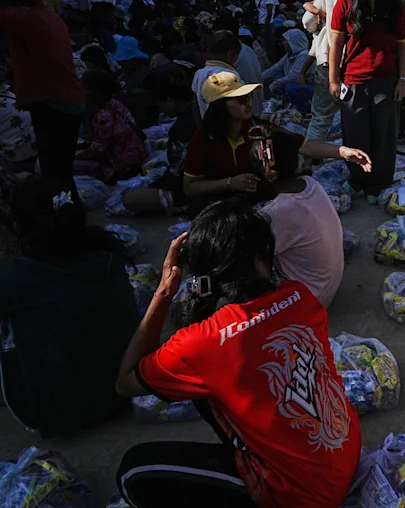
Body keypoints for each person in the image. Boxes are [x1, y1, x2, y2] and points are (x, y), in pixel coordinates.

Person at [114, 200, 361, 508]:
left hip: (301, 496)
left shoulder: (202, 342)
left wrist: (164, 292)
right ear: (263, 256)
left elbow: (125, 382)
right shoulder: (300, 296)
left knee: (134, 470)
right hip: (345, 454)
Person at [1, 178, 140, 437]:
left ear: (20, 226)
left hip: (60, 413)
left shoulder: (16, 278)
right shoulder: (108, 254)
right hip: (127, 389)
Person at [183, 72, 370, 211]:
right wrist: (229, 183)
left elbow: (305, 145)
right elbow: (190, 187)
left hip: (260, 200)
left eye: (247, 97)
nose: (247, 103)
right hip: (223, 205)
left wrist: (344, 152)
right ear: (219, 107)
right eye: (239, 100)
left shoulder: (256, 127)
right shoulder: (203, 138)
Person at [328, 0, 405, 202]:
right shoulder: (345, 4)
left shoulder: (395, 7)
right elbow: (336, 45)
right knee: (355, 135)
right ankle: (357, 180)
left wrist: (403, 80)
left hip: (386, 81)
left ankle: (378, 184)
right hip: (353, 82)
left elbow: (403, 46)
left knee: (384, 137)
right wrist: (333, 79)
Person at [0, 0, 86, 200]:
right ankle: (68, 218)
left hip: (53, 100)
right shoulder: (45, 15)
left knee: (55, 173)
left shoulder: (24, 17)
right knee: (59, 172)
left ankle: (65, 222)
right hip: (61, 98)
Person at [252, 129, 344, 308]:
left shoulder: (277, 213)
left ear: (269, 174)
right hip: (329, 285)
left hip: (312, 300)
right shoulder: (311, 184)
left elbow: (254, 262)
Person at [122, 62, 199, 215]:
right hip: (198, 181)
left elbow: (177, 174)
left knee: (128, 199)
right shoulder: (194, 110)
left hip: (192, 189)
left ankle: (182, 206)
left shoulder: (183, 126)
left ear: (170, 100)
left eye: (160, 104)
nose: (160, 110)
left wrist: (154, 184)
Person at [302, 0, 355, 141]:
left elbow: (306, 21)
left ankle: (310, 159)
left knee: (322, 116)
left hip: (327, 59)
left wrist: (320, 25)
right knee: (356, 114)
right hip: (356, 61)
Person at [73, 70, 147, 183]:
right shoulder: (115, 103)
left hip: (124, 166)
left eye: (83, 89)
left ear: (92, 92)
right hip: (137, 156)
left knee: (67, 165)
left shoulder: (103, 116)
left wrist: (78, 154)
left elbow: (97, 151)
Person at [192, 30, 245, 116]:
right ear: (230, 55)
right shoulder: (231, 75)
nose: (236, 60)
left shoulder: (199, 73)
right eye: (236, 57)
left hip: (207, 125)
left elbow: (196, 104)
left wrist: (201, 127)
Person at [264, 28, 313, 114]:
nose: (284, 44)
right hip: (297, 85)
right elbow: (275, 69)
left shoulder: (304, 55)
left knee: (289, 87)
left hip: (309, 87)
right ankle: (289, 102)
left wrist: (274, 85)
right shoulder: (288, 56)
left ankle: (303, 109)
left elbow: (294, 77)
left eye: (286, 41)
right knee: (278, 77)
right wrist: (258, 78)